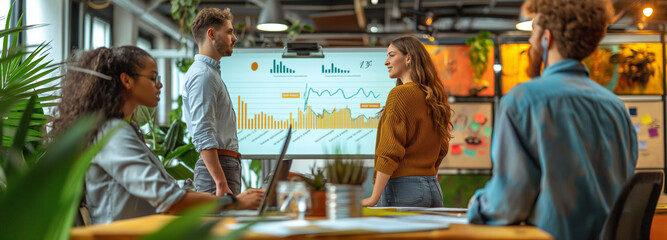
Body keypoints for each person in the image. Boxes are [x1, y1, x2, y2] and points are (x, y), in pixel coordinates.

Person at [466, 0, 637, 239]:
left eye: (533, 32)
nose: (530, 41)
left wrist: (478, 204)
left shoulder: (523, 100)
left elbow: (509, 204)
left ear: (547, 38)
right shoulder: (616, 108)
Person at [49, 46, 263, 225]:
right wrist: (233, 202)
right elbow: (167, 199)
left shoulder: (125, 130)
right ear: (127, 80)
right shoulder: (112, 135)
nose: (159, 84)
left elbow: (159, 193)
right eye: (153, 78)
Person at [361, 36, 452, 207]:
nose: (386, 62)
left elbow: (389, 150)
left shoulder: (400, 95)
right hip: (433, 190)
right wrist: (426, 175)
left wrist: (374, 197)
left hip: (404, 190)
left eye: (392, 55)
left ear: (408, 57)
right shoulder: (433, 96)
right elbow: (442, 148)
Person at [182, 8, 242, 196]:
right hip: (217, 171)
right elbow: (202, 132)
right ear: (211, 34)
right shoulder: (203, 76)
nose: (235, 38)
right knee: (217, 225)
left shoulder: (210, 73)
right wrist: (220, 181)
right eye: (230, 32)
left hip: (223, 165)